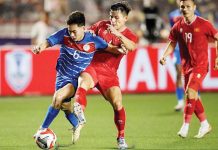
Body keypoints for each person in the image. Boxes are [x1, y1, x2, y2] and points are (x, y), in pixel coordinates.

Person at [32, 11, 125, 144]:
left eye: (74, 31)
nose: (72, 34)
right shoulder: (64, 34)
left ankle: (42, 129)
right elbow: (48, 42)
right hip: (61, 77)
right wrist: (40, 48)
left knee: (58, 97)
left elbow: (110, 48)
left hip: (76, 79)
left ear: (83, 28)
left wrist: (123, 48)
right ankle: (77, 123)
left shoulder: (93, 40)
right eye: (70, 31)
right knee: (64, 106)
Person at [72, 1, 137, 149]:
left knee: (117, 103)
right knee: (84, 83)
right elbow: (87, 33)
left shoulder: (129, 35)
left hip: (110, 74)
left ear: (125, 18)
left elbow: (131, 47)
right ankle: (80, 114)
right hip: (93, 66)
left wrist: (117, 34)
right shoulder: (101, 25)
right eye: (111, 16)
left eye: (116, 18)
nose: (112, 20)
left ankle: (121, 139)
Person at [160, 0, 218, 138]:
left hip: (201, 65)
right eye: (183, 7)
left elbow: (216, 37)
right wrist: (164, 56)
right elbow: (172, 43)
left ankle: (185, 126)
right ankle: (205, 124)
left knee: (190, 91)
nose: (185, 9)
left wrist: (217, 57)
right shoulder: (178, 26)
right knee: (193, 95)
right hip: (187, 66)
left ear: (194, 7)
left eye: (188, 7)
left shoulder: (204, 24)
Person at [168, 0, 201, 111]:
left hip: (192, 49)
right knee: (178, 73)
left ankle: (197, 97)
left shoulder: (196, 14)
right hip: (178, 49)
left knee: (193, 74)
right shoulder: (172, 15)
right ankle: (180, 102)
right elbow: (172, 32)